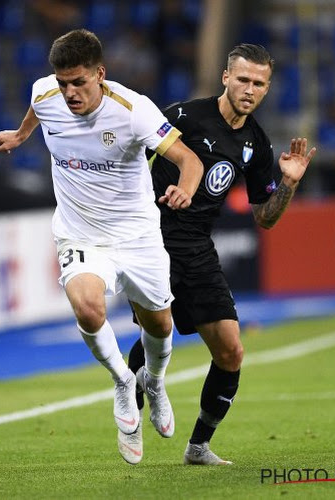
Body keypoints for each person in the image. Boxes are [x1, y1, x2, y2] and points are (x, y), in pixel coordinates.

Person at [0, 30, 203, 441]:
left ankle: (153, 383)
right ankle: (123, 382)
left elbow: (187, 159)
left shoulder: (133, 109)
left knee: (160, 325)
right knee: (88, 308)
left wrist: (186, 189)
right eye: (63, 82)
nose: (69, 92)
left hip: (137, 235)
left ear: (100, 74)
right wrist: (20, 135)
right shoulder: (45, 93)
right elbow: (37, 109)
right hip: (80, 234)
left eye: (78, 83)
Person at [118, 43, 317, 466]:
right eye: (242, 79)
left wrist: (289, 183)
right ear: (226, 77)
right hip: (151, 238)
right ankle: (128, 415)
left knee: (231, 352)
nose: (249, 89)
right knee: (158, 332)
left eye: (258, 83)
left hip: (197, 247)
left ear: (266, 88)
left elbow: (265, 217)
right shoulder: (183, 116)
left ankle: (198, 446)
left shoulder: (256, 143)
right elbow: (131, 153)